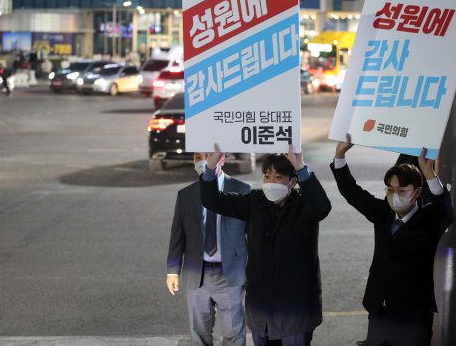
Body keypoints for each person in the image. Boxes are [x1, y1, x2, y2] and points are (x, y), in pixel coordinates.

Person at [201, 144, 332, 346]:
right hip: (261, 304)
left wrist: (300, 166)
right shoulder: (254, 202)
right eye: (267, 176)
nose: (271, 182)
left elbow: (323, 207)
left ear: (292, 181)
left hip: (294, 307)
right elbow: (213, 200)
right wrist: (210, 167)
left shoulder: (305, 206)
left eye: (278, 177)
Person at [331, 134, 454, 346]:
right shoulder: (382, 213)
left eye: (401, 190)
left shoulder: (429, 219)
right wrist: (340, 155)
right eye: (390, 189)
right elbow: (351, 191)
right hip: (379, 309)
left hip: (413, 316)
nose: (394, 195)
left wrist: (429, 173)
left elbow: (446, 213)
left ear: (416, 192)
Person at [167, 152, 251, 346]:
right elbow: (177, 236)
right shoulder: (185, 194)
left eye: (209, 155)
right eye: (198, 157)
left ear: (223, 159)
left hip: (230, 274)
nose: (203, 161)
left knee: (234, 334)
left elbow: (252, 234)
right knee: (199, 334)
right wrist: (172, 271)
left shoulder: (242, 189)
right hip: (198, 274)